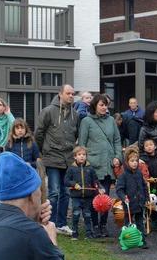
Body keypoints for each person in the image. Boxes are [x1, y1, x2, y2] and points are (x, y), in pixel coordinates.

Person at [36, 84, 79, 236]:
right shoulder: (48, 111)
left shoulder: (75, 114)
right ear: (60, 94)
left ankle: (61, 223)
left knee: (66, 192)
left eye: (73, 94)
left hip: (67, 159)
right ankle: (49, 222)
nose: (71, 96)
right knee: (53, 192)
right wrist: (43, 152)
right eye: (68, 93)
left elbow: (76, 135)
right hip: (52, 157)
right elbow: (39, 133)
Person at [78, 93, 122, 238]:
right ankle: (94, 225)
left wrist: (117, 157)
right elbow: (82, 144)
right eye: (101, 105)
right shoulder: (86, 121)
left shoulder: (111, 121)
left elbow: (117, 141)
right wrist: (85, 161)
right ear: (95, 106)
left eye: (106, 105)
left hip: (108, 165)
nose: (104, 107)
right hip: (93, 165)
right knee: (93, 198)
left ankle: (103, 225)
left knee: (106, 197)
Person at [115, 148, 150, 249]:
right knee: (127, 224)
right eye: (132, 161)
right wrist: (123, 197)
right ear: (127, 162)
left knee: (140, 223)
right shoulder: (123, 175)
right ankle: (126, 241)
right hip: (128, 204)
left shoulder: (139, 173)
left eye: (136, 161)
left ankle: (142, 240)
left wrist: (146, 197)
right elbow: (119, 189)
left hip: (139, 203)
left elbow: (144, 186)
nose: (135, 163)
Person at [64, 146, 99, 240]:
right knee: (75, 214)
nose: (82, 156)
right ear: (75, 157)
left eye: (84, 155)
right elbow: (66, 181)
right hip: (76, 197)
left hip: (88, 197)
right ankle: (74, 233)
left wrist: (99, 188)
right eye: (79, 155)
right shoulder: (71, 169)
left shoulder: (90, 168)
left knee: (87, 215)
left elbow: (95, 181)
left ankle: (89, 233)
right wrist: (74, 184)